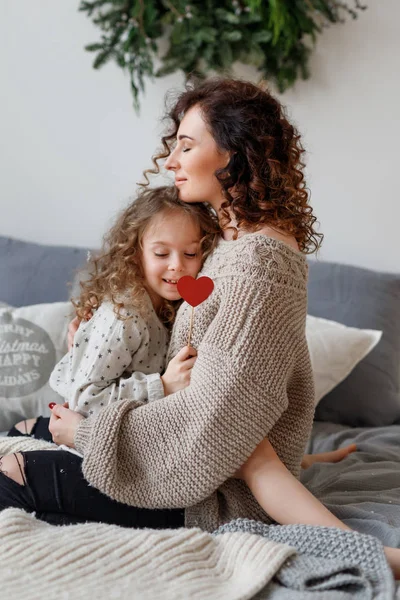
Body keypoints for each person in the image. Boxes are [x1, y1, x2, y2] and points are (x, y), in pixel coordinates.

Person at [1, 77, 399, 576]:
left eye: (186, 146)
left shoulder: (257, 268)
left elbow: (224, 429)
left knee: (9, 472)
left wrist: (87, 434)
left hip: (201, 491)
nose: (170, 162)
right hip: (194, 465)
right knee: (22, 430)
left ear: (232, 154)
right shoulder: (232, 248)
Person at [7, 185, 217, 448]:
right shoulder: (126, 315)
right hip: (85, 441)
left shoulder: (168, 305)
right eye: (161, 253)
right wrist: (162, 385)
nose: (177, 264)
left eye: (190, 253)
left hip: (110, 434)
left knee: (21, 431)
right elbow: (85, 400)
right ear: (136, 253)